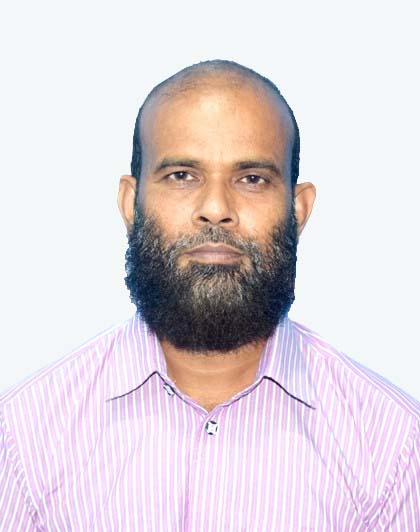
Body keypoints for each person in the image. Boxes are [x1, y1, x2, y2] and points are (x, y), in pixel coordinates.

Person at [1, 60, 419, 531]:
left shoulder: (394, 449)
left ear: (298, 210)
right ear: (131, 205)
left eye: (252, 179)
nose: (216, 208)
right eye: (182, 175)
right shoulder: (22, 439)